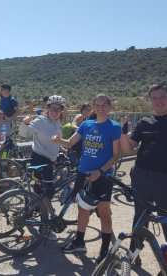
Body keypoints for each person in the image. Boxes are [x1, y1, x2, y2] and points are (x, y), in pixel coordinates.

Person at [51, 94, 121, 265]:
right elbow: (70, 143)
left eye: (104, 105)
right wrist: (59, 140)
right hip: (83, 173)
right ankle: (79, 242)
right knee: (83, 209)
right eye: (97, 105)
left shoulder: (114, 127)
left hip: (102, 176)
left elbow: (116, 155)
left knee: (104, 214)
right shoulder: (86, 124)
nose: (100, 108)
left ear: (109, 107)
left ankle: (105, 253)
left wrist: (100, 171)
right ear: (93, 106)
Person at [120, 84, 167, 263]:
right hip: (141, 176)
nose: (158, 101)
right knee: (140, 217)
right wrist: (123, 133)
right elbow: (127, 149)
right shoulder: (145, 122)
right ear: (150, 101)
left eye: (162, 97)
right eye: (154, 98)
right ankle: (133, 256)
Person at [19, 95, 67, 241]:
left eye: (58, 109)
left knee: (43, 192)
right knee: (46, 193)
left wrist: (61, 151)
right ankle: (44, 227)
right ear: (47, 108)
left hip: (50, 161)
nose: (55, 111)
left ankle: (34, 209)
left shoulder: (57, 122)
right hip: (39, 159)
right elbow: (24, 134)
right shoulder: (39, 121)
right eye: (53, 108)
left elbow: (56, 140)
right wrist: (25, 123)